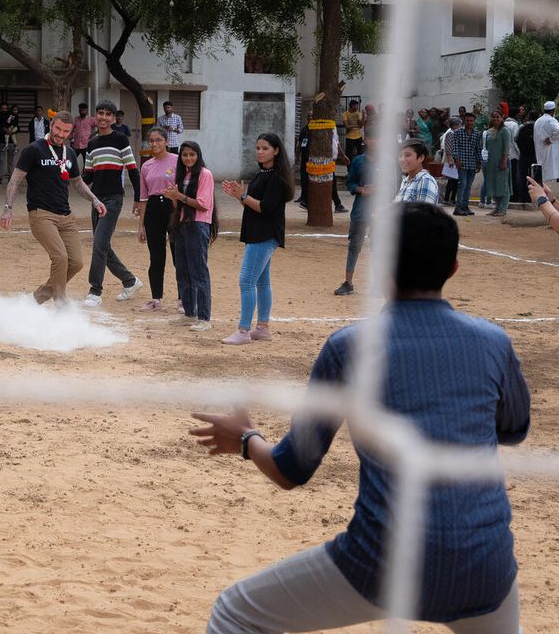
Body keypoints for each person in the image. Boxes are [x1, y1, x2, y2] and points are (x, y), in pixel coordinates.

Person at [191, 201, 529, 634]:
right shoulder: (493, 342)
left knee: (234, 612)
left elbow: (290, 470)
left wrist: (245, 439)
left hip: (383, 561)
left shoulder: (352, 347)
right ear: (455, 267)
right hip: (486, 562)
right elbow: (514, 431)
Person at [1, 111, 106, 305]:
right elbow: (14, 181)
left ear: (70, 132)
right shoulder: (34, 149)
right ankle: (60, 301)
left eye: (66, 131)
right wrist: (8, 208)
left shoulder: (71, 153)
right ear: (51, 125)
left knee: (76, 263)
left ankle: (35, 300)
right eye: (58, 128)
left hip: (65, 216)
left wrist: (94, 199)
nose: (61, 134)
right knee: (60, 257)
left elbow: (77, 183)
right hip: (41, 214)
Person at [220, 133, 293, 345]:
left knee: (246, 280)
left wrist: (243, 195)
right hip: (257, 232)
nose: (260, 152)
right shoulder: (262, 174)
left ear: (276, 150)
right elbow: (253, 205)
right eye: (258, 148)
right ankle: (262, 328)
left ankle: (243, 331)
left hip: (265, 234)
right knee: (261, 281)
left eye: (265, 148)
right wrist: (239, 196)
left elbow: (264, 208)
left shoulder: (276, 178)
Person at [82, 102, 144, 307]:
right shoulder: (91, 143)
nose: (104, 117)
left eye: (108, 114)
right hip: (96, 199)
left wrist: (138, 197)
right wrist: (68, 176)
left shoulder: (120, 139)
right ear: (95, 116)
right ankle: (130, 281)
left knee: (99, 244)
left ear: (113, 118)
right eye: (100, 113)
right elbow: (88, 175)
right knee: (103, 246)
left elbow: (133, 169)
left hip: (113, 199)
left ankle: (95, 292)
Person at [162, 141, 216, 329]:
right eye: (185, 155)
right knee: (182, 270)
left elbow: (203, 204)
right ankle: (189, 313)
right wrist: (173, 197)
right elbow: (180, 206)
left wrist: (179, 196)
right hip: (182, 224)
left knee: (198, 271)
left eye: (192, 154)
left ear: (198, 155)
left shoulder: (204, 174)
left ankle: (204, 317)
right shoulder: (183, 175)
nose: (188, 158)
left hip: (198, 224)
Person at [136, 126, 179, 313]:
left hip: (173, 208)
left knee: (179, 255)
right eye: (151, 141)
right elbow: (143, 198)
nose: (155, 144)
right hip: (153, 209)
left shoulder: (178, 161)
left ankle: (183, 299)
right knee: (156, 256)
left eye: (158, 140)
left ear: (166, 141)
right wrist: (141, 226)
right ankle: (156, 298)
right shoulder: (146, 166)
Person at [335, 133, 374, 296]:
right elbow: (350, 181)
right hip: (361, 210)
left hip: (382, 211)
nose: (375, 141)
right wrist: (360, 189)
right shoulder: (358, 161)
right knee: (354, 246)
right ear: (366, 140)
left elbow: (395, 185)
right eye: (372, 137)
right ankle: (348, 282)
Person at [448, 112, 481, 216]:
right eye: (467, 120)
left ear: (474, 121)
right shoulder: (457, 133)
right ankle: (458, 208)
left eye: (471, 120)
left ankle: (465, 206)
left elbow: (477, 149)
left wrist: (478, 162)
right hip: (461, 162)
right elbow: (455, 147)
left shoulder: (476, 134)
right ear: (463, 121)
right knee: (462, 184)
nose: (469, 122)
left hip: (472, 163)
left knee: (468, 186)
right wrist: (456, 159)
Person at [482, 109, 512, 217]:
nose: (495, 119)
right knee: (494, 185)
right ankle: (497, 208)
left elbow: (507, 148)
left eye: (498, 117)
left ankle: (503, 209)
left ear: (502, 118)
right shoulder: (489, 131)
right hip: (491, 163)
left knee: (503, 186)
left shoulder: (505, 131)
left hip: (502, 162)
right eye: (493, 117)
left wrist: (504, 161)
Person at [394, 138, 440, 205]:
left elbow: (424, 213)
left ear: (421, 158)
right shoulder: (405, 181)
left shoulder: (425, 181)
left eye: (407, 155)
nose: (402, 160)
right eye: (400, 156)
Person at [533, 99, 559, 198]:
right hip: (550, 152)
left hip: (540, 152)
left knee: (543, 173)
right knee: (550, 175)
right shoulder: (551, 120)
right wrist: (552, 139)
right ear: (553, 110)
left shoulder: (538, 121)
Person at [516, 111, 537, 204]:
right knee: (534, 177)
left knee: (522, 176)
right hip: (534, 155)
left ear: (528, 117)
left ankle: (522, 198)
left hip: (523, 155)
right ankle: (533, 198)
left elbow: (515, 139)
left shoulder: (522, 126)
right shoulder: (537, 127)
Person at [439, 117, 460, 206]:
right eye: (459, 124)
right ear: (455, 125)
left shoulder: (454, 133)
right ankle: (448, 199)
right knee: (452, 180)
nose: (460, 126)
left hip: (454, 159)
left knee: (454, 180)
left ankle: (451, 199)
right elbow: (448, 148)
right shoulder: (450, 133)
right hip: (451, 160)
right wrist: (450, 159)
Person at [0, 103, 20, 179]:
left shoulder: (13, 117)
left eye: (5, 108)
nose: (4, 110)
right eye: (2, 108)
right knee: (1, 160)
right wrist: (5, 130)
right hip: (2, 142)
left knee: (11, 160)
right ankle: (0, 177)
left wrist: (12, 131)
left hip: (11, 142)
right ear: (0, 109)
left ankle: (11, 177)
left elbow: (18, 128)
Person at [71, 102, 94, 167]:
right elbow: (71, 129)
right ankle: (72, 175)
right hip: (76, 145)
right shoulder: (75, 119)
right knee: (72, 160)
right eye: (80, 110)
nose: (82, 112)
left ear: (86, 110)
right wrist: (71, 138)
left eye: (84, 110)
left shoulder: (91, 119)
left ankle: (85, 176)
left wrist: (92, 135)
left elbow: (99, 127)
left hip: (86, 145)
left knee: (86, 162)